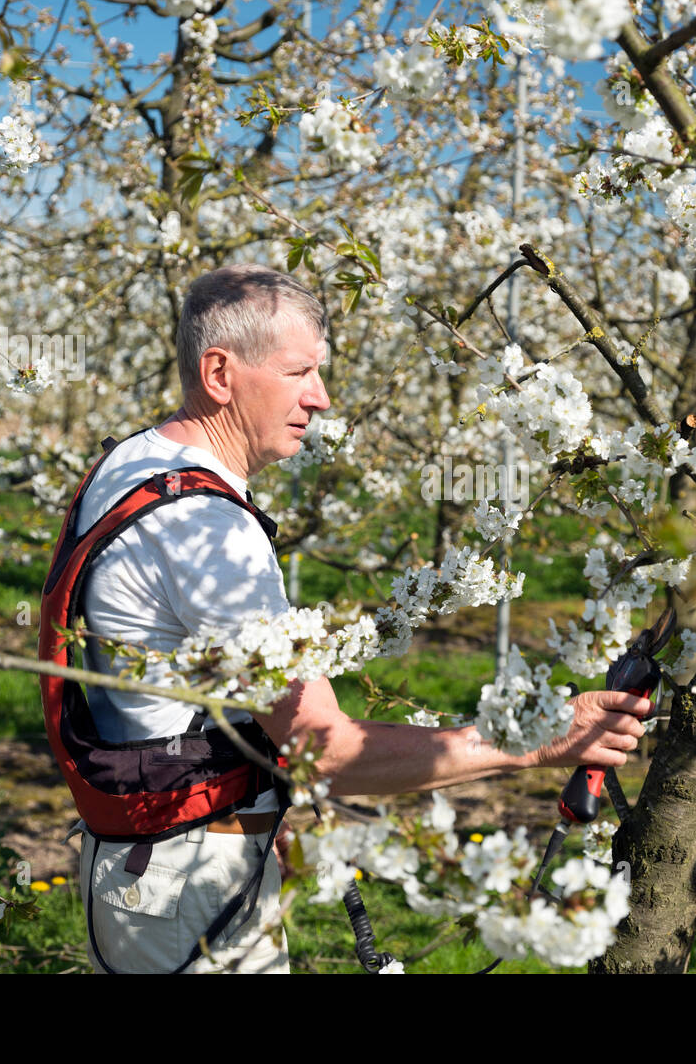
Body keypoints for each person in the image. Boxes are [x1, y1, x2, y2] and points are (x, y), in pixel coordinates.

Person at [69, 263, 649, 973]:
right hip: (187, 881)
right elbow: (327, 748)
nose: (320, 397)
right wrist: (535, 740)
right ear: (220, 373)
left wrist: (257, 799)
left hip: (149, 866)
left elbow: (191, 688)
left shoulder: (134, 464)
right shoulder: (206, 529)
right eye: (299, 371)